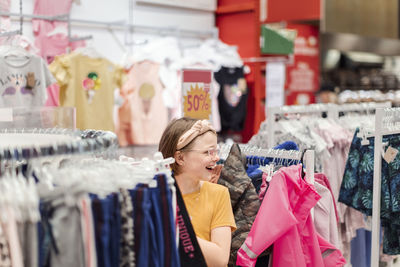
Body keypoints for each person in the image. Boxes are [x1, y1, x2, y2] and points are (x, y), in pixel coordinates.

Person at [159, 117, 236, 267]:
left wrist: (174, 231)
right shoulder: (157, 197)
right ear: (180, 158)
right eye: (208, 152)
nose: (216, 158)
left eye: (216, 151)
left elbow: (220, 260)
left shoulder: (218, 194)